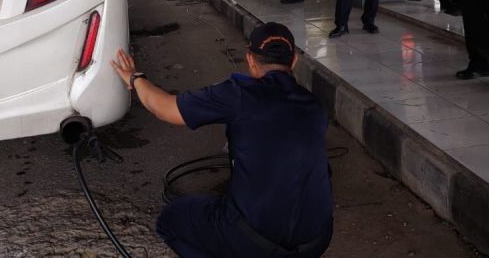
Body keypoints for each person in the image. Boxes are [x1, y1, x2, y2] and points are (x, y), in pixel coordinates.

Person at [110, 22, 334, 258]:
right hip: (315, 241)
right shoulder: (315, 106)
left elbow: (165, 107)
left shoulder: (239, 93)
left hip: (254, 240)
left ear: (250, 59)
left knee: (171, 219)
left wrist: (135, 78)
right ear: (294, 61)